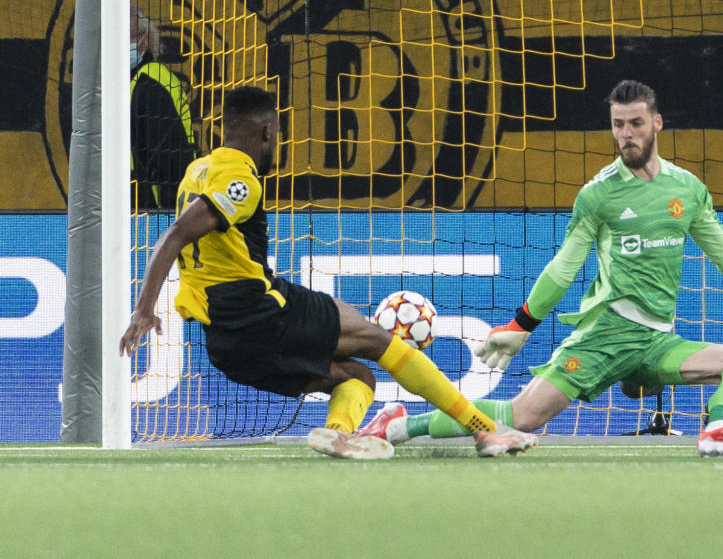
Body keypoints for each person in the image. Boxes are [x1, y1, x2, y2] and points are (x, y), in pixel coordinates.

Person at [357, 79, 723, 458]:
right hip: (606, 334)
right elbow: (564, 268)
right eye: (618, 125)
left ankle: (717, 431)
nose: (626, 134)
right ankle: (400, 422)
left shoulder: (687, 190)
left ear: (657, 123)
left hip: (656, 339)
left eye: (636, 123)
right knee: (522, 418)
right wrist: (521, 326)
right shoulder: (598, 195)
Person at [118, 86, 536, 460]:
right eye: (277, 134)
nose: (276, 142)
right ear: (266, 132)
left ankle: (337, 433)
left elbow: (176, 233)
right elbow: (175, 234)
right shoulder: (239, 179)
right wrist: (143, 309)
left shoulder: (195, 171)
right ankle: (485, 431)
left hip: (226, 346)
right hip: (256, 314)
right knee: (377, 339)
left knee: (357, 375)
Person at [130, 3, 198, 209]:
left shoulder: (152, 86)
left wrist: (171, 224)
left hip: (152, 215)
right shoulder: (124, 83)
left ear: (144, 39)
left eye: (126, 37)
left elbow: (172, 160)